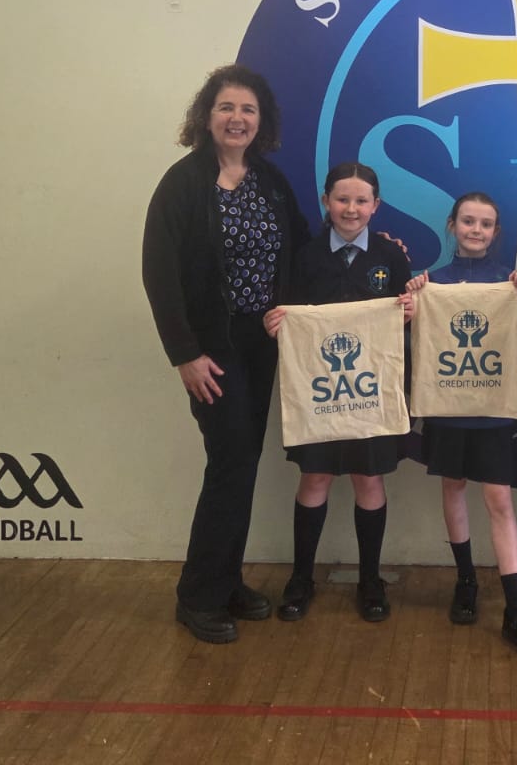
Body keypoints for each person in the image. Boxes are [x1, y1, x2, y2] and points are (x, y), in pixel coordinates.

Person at [143, 64, 311, 645]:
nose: (237, 119)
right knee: (230, 462)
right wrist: (184, 355)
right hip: (211, 349)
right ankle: (198, 596)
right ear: (206, 116)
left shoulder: (270, 182)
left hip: (260, 345)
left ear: (260, 123)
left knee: (240, 465)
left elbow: (305, 254)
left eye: (248, 110)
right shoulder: (183, 184)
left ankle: (226, 579)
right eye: (226, 108)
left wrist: (372, 253)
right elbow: (159, 277)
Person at [263, 162, 413, 624]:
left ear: (376, 206)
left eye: (361, 200)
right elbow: (284, 312)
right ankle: (301, 578)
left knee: (370, 480)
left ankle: (370, 580)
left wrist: (408, 314)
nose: (351, 208)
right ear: (326, 201)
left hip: (371, 392)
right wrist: (276, 324)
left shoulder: (391, 257)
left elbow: (409, 318)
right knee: (316, 479)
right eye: (342, 199)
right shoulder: (304, 257)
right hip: (320, 392)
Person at [407, 192, 517, 664]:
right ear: (451, 225)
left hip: (492, 408)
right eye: (467, 221)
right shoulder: (431, 283)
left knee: (499, 500)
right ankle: (465, 579)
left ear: (496, 232)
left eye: (485, 224)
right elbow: (408, 330)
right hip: (447, 405)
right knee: (453, 486)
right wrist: (411, 303)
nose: (475, 229)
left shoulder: (512, 283)